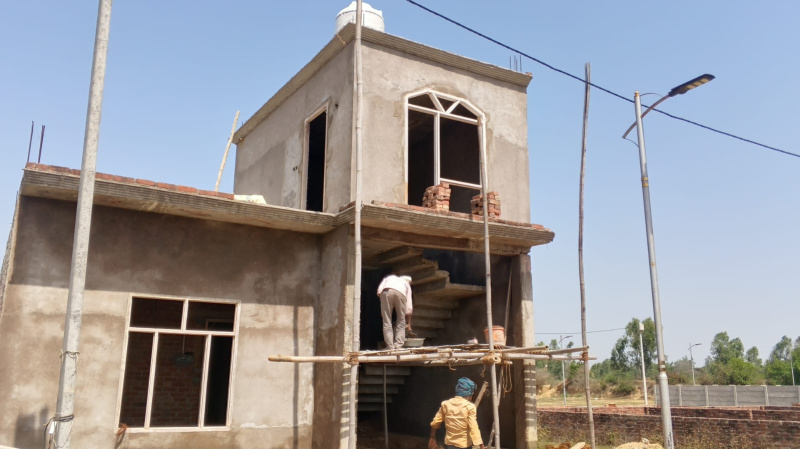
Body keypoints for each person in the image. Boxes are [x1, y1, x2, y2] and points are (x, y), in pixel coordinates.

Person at [428, 377, 485, 449]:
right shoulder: (470, 407)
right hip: (464, 446)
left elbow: (435, 423)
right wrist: (481, 445)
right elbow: (474, 427)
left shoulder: (446, 404)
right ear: (469, 395)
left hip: (449, 445)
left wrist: (432, 437)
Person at [376, 274, 413, 350]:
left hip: (386, 291)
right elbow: (409, 307)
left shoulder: (389, 277)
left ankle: (390, 346)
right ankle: (398, 346)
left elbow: (379, 291)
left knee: (387, 321)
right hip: (401, 294)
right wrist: (408, 323)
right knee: (401, 321)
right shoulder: (406, 284)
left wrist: (385, 301)